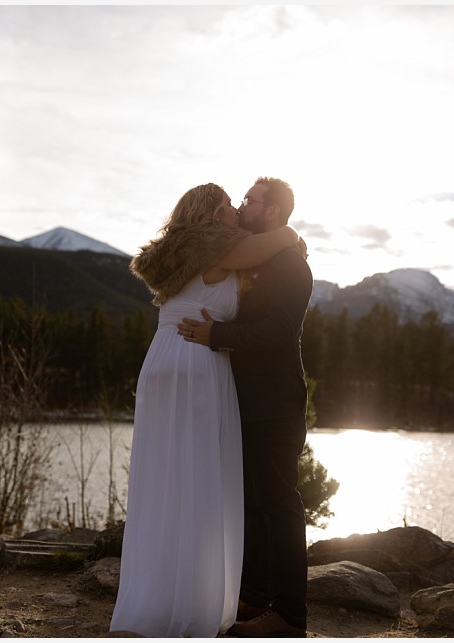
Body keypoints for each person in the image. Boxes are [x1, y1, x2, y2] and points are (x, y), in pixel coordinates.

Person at [109, 182, 302, 638]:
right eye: (230, 204)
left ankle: (158, 591)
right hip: (197, 360)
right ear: (213, 217)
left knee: (163, 481)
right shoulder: (221, 247)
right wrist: (291, 235)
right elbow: (279, 240)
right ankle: (194, 598)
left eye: (247, 201)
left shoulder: (175, 251)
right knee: (200, 482)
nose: (237, 207)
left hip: (161, 361)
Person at [178, 177, 313, 638]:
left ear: (272, 213)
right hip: (243, 399)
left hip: (275, 402)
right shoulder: (254, 258)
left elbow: (279, 330)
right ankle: (254, 596)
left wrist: (217, 337)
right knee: (252, 504)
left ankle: (290, 616)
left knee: (280, 506)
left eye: (250, 201)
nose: (241, 205)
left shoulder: (292, 264)